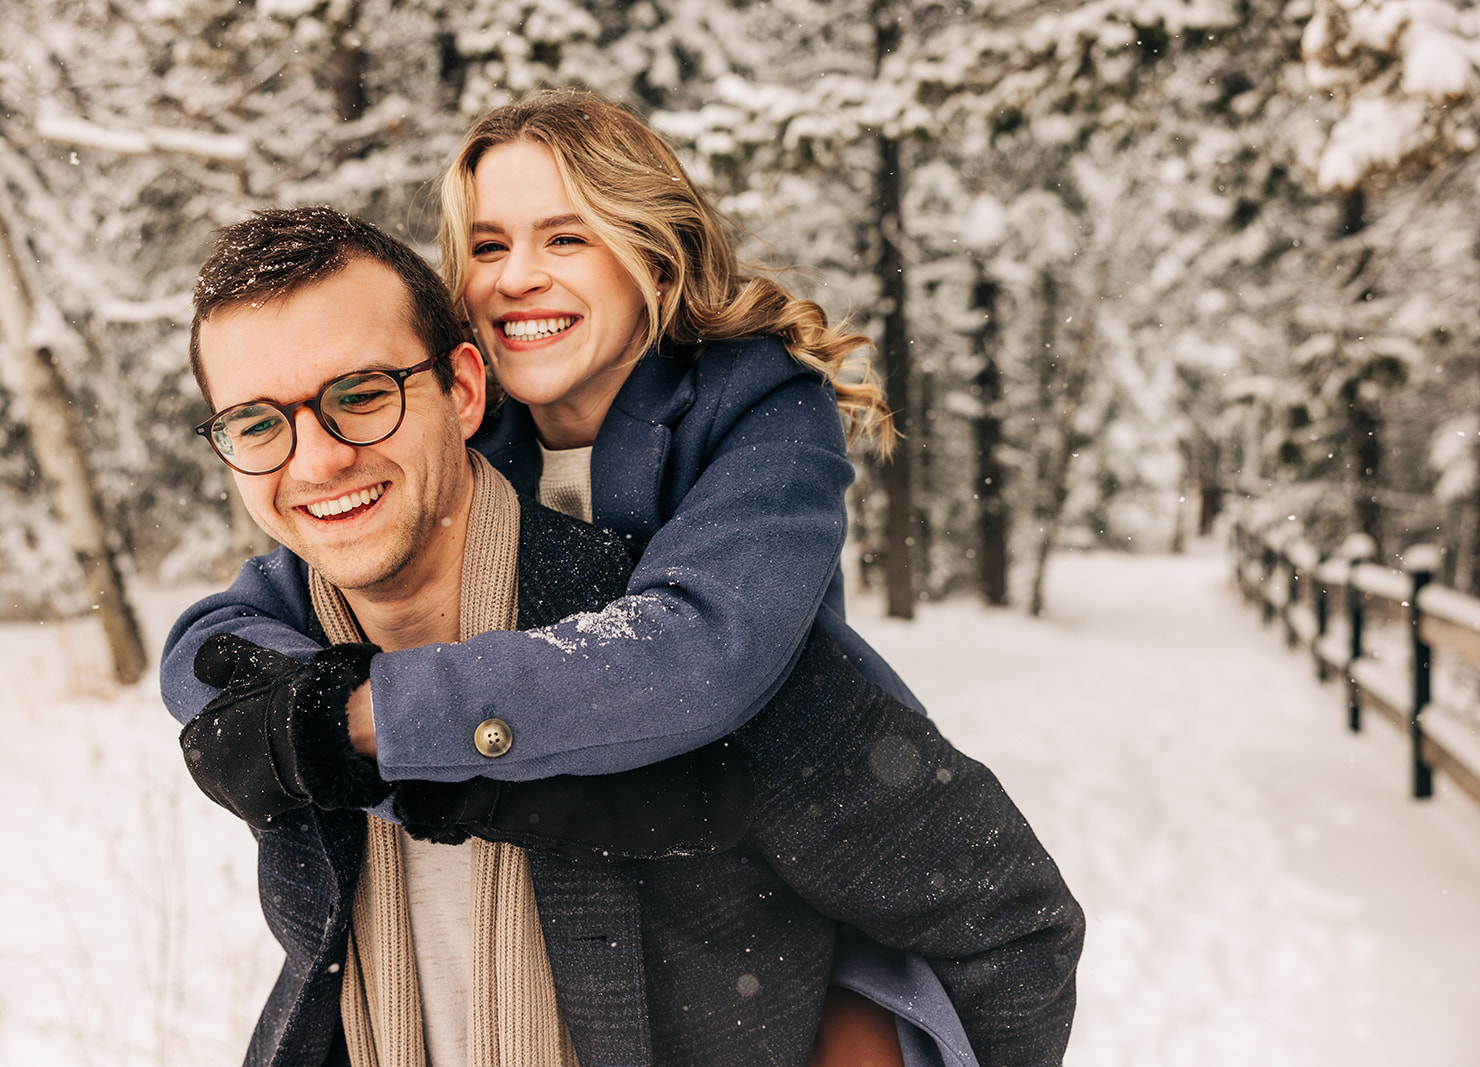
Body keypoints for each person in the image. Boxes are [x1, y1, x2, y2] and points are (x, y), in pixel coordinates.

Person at [164, 88, 1081, 1064]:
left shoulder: (756, 410)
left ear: (650, 249)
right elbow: (219, 633)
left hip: (764, 759)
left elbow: (703, 658)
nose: (519, 276)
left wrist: (373, 727)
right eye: (486, 247)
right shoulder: (480, 442)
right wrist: (271, 709)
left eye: (566, 238)